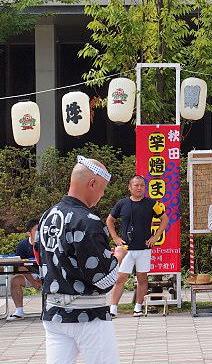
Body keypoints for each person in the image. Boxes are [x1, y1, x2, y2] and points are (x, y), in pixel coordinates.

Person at [37, 155, 128, 364]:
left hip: (54, 313)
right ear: (92, 183)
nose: (102, 195)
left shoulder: (47, 216)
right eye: (103, 188)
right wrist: (118, 258)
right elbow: (103, 279)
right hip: (88, 315)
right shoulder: (87, 221)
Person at [106, 175, 168, 317]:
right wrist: (115, 238)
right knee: (120, 278)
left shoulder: (152, 203)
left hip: (144, 248)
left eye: (141, 185)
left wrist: (156, 236)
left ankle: (138, 307)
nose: (139, 188)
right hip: (126, 249)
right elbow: (109, 220)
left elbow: (165, 219)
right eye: (136, 185)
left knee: (142, 278)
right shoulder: (121, 204)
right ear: (130, 187)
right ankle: (113, 308)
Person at [6, 217, 42, 320]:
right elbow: (21, 266)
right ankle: (19, 311)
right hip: (30, 274)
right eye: (36, 230)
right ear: (29, 233)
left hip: (48, 274)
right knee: (15, 280)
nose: (39, 233)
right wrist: (34, 282)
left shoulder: (49, 244)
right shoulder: (22, 245)